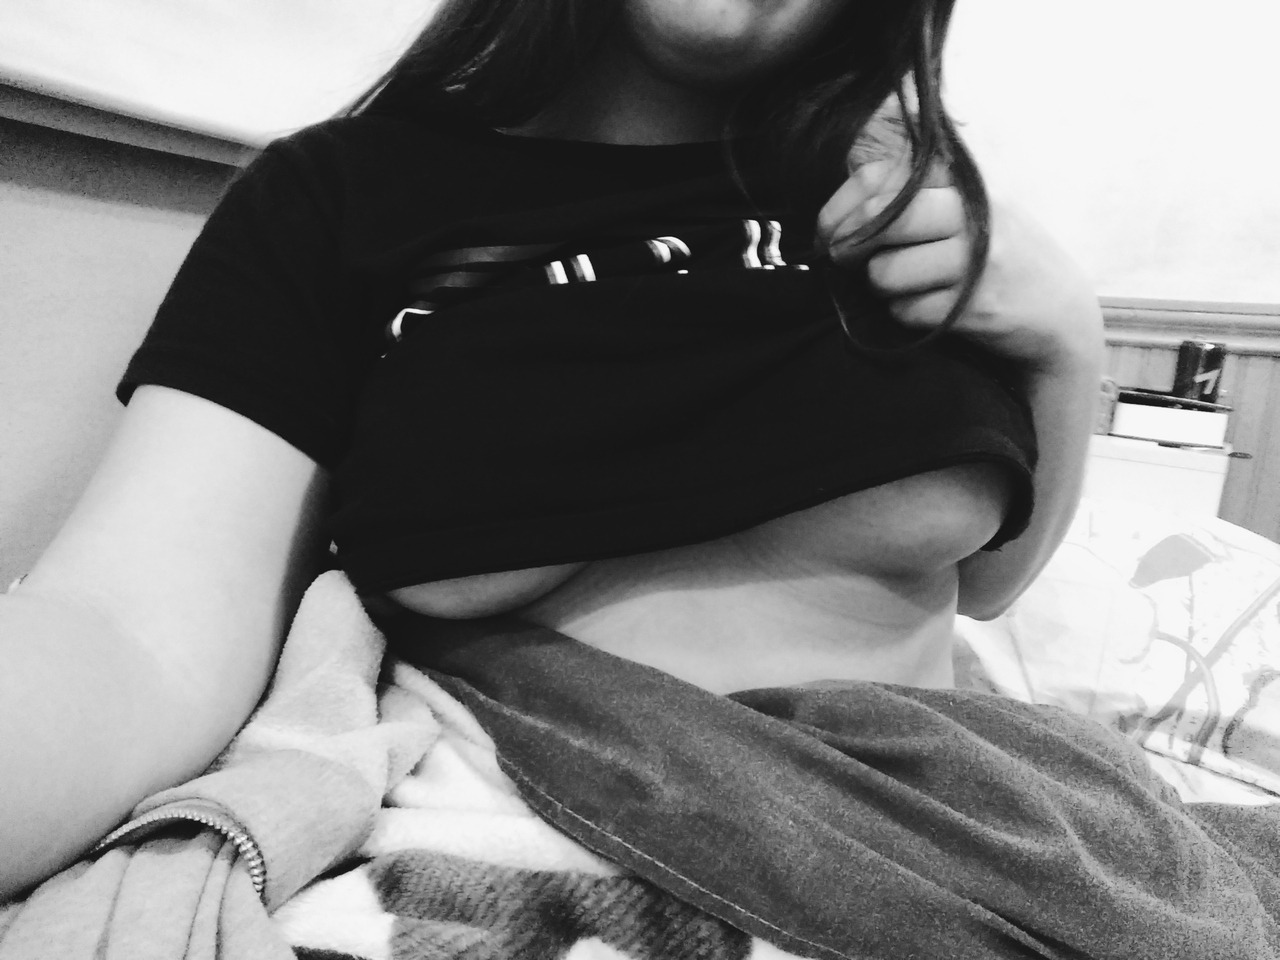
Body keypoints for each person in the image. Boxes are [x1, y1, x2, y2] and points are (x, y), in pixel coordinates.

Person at [0, 0, 1103, 903]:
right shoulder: (336, 198)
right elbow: (129, 632)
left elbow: (989, 584)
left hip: (965, 835)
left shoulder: (894, 193)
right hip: (521, 859)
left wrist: (1066, 343)